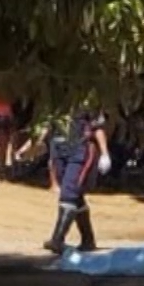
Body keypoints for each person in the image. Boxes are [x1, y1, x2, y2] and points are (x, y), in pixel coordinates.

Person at [45, 108, 109, 253]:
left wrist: (104, 153)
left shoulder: (86, 100)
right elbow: (45, 126)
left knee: (69, 193)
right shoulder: (52, 99)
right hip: (59, 149)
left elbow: (97, 127)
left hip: (80, 150)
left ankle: (57, 239)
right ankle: (88, 239)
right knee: (75, 196)